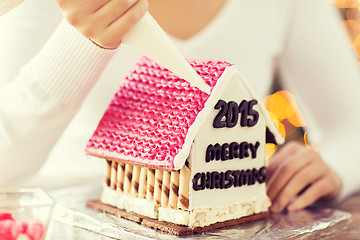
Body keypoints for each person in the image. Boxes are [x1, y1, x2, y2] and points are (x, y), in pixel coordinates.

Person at [0, 0, 359, 214]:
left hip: (219, 218)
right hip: (67, 217)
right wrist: (81, 42)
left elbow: (352, 123)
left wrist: (335, 166)